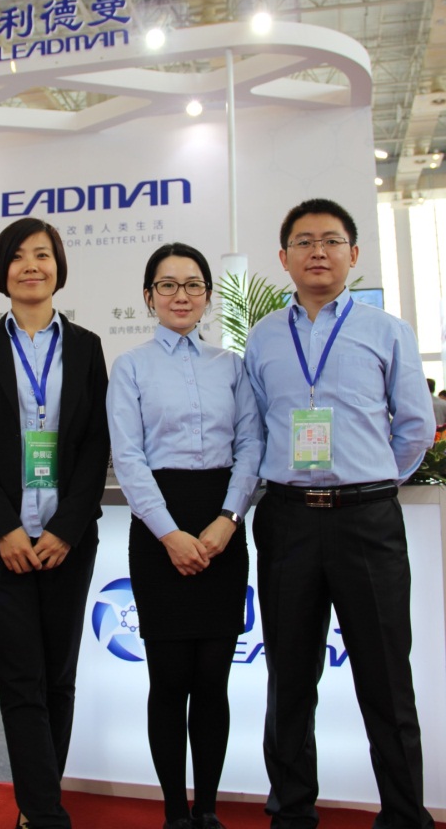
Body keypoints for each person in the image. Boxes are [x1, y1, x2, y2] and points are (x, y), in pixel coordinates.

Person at [244, 197, 435, 829]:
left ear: (352, 254)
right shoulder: (264, 337)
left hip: (366, 523)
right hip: (288, 521)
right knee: (290, 679)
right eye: (303, 242)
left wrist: (369, 482)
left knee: (385, 679)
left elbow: (414, 428)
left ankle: (404, 816)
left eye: (330, 241)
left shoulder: (387, 331)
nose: (317, 252)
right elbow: (257, 425)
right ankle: (292, 813)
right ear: (284, 258)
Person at [0, 217, 109, 829]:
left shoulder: (87, 346)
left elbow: (95, 444)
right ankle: (43, 814)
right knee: (20, 679)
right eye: (18, 256)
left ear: (58, 267)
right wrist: (4, 529)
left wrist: (66, 527)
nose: (31, 266)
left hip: (67, 540)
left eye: (42, 255)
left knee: (59, 678)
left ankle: (40, 802)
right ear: (3, 270)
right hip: (1, 543)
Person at [107, 242, 263, 829]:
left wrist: (228, 519)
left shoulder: (231, 366)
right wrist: (171, 534)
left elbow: (250, 445)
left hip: (223, 525)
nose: (181, 295)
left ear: (208, 296)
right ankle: (175, 811)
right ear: (148, 297)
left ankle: (208, 809)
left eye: (193, 284)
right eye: (167, 285)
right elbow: (128, 458)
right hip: (158, 530)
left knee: (213, 680)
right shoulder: (131, 367)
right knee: (169, 680)